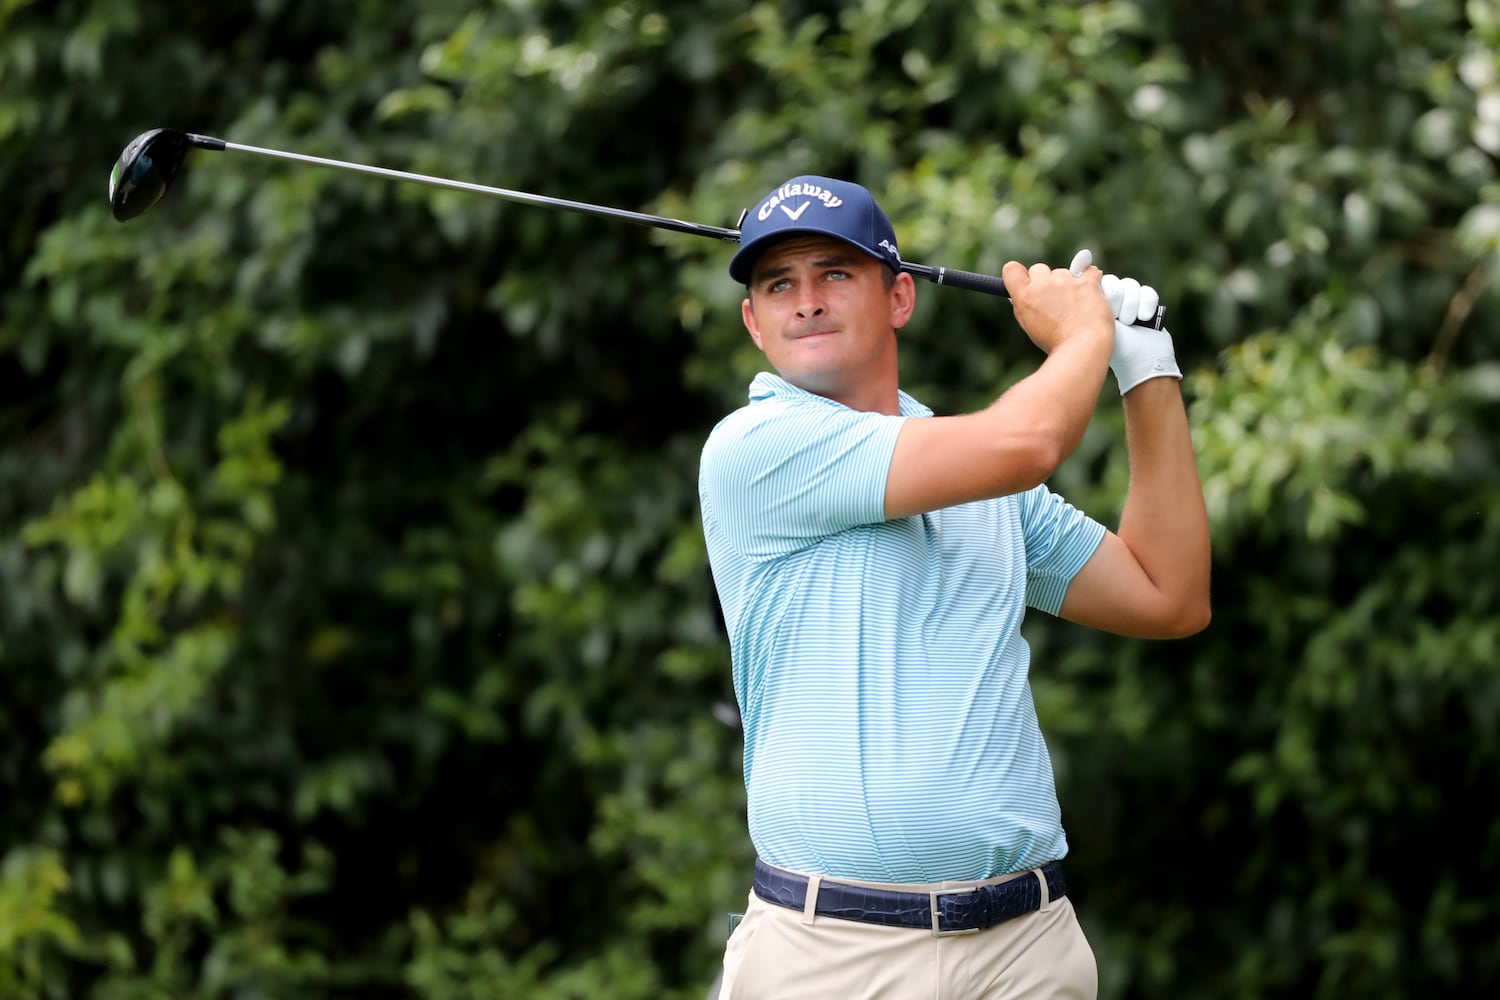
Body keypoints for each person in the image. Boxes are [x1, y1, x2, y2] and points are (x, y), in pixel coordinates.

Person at [697, 175, 1211, 999]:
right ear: (754, 321)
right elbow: (1033, 438)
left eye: (834, 273)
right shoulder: (755, 449)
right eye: (778, 284)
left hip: (1025, 950)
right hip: (831, 957)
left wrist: (1144, 367)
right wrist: (1083, 335)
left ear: (900, 296)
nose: (806, 301)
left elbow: (1168, 596)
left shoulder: (982, 479)